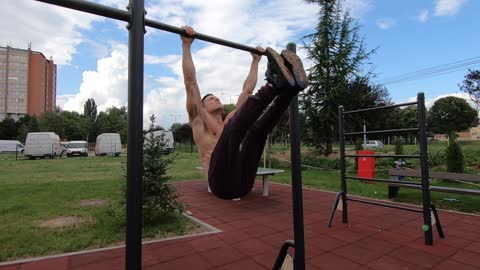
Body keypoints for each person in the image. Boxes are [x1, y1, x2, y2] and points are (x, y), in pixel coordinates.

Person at [181, 26, 307, 199]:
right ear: (201, 107)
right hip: (220, 185)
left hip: (244, 183)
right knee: (233, 130)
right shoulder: (199, 123)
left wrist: (255, 61)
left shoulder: (232, 119)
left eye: (216, 97)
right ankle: (273, 84)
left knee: (257, 131)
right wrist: (186, 45)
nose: (216, 98)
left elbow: (247, 90)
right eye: (211, 98)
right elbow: (191, 83)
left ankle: (288, 92)